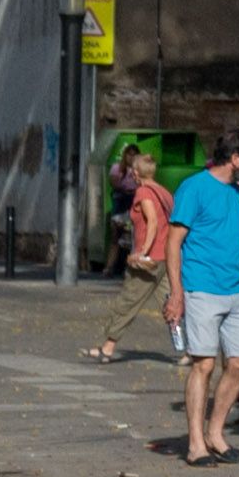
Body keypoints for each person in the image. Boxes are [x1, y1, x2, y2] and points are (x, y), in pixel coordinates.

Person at [167, 133, 239, 464]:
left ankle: (215, 432)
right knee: (204, 364)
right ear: (236, 159)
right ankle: (196, 443)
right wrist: (176, 293)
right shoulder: (194, 187)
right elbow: (173, 242)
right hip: (202, 287)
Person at [86, 150, 172, 365]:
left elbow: (152, 222)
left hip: (149, 260)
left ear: (135, 173)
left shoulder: (143, 192)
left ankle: (107, 347)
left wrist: (142, 250)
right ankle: (192, 348)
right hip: (166, 256)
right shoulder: (164, 192)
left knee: (128, 301)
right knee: (170, 304)